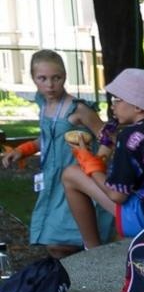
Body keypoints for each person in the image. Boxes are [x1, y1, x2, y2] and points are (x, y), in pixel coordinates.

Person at [59, 69, 144, 246]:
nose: (112, 106)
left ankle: (91, 248)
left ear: (137, 106)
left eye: (117, 99)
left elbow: (117, 195)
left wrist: (87, 161)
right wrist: (111, 145)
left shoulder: (130, 135)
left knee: (71, 174)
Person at [0, 50, 109, 257]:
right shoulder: (44, 105)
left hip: (77, 180)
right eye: (42, 78)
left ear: (65, 77)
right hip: (53, 181)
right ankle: (75, 273)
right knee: (57, 244)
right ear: (33, 78)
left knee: (63, 243)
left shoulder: (78, 109)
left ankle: (91, 269)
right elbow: (48, 138)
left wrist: (96, 163)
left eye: (56, 78)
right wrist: (24, 150)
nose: (50, 85)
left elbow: (108, 137)